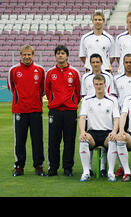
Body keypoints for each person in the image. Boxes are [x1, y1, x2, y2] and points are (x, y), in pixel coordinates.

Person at [8, 44, 46, 176]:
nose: (26, 57)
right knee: (20, 140)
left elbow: (42, 90)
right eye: (24, 54)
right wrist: (20, 100)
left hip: (35, 110)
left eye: (29, 54)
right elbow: (11, 88)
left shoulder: (40, 70)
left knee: (37, 140)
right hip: (20, 110)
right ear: (20, 55)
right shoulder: (13, 70)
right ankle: (19, 166)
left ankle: (39, 166)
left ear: (33, 55)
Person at [45, 45, 81, 177]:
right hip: (55, 111)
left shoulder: (74, 72)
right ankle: (53, 168)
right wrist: (54, 101)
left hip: (70, 112)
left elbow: (78, 92)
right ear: (55, 56)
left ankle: (68, 168)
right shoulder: (50, 73)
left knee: (69, 140)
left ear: (67, 55)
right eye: (58, 53)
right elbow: (48, 91)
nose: (60, 55)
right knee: (53, 141)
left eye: (63, 53)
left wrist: (70, 103)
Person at [78, 74, 120, 182]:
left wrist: (114, 132)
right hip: (92, 133)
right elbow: (82, 118)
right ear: (93, 85)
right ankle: (86, 172)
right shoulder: (87, 100)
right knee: (83, 140)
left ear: (105, 84)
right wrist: (82, 132)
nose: (99, 86)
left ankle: (110, 172)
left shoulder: (112, 100)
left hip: (107, 133)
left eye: (101, 84)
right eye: (96, 84)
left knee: (113, 140)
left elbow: (116, 119)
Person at [112, 53, 131, 177]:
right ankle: (121, 167)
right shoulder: (117, 78)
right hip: (122, 114)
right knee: (119, 138)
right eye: (126, 62)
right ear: (123, 63)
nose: (128, 64)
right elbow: (114, 97)